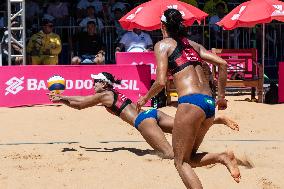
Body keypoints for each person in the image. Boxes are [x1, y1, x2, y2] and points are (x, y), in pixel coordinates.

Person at [136, 9, 240, 188]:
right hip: (208, 104)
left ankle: (223, 157)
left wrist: (144, 97)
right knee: (188, 159)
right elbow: (223, 64)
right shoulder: (194, 45)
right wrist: (221, 97)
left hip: (191, 102)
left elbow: (161, 81)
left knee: (180, 163)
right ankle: (222, 157)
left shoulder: (163, 45)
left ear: (162, 26)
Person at [48, 72, 239, 160]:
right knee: (185, 130)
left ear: (105, 84)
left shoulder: (105, 95)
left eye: (96, 82)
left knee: (173, 156)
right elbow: (82, 99)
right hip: (152, 113)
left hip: (144, 121)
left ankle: (221, 157)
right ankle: (216, 120)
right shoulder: (110, 93)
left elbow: (81, 104)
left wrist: (61, 98)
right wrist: (63, 97)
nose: (93, 84)